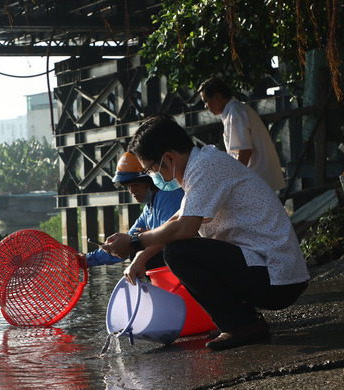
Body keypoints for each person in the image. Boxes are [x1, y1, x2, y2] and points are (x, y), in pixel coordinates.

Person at [102, 114, 309, 351]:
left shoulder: (205, 168)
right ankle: (243, 320)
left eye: (150, 169)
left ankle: (242, 324)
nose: (152, 177)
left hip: (277, 276)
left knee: (179, 252)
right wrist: (141, 257)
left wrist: (135, 241)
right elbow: (176, 220)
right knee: (177, 248)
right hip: (271, 270)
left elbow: (184, 228)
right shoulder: (201, 166)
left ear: (168, 158)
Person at [80, 151, 183, 270]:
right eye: (128, 187)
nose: (131, 191)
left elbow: (169, 236)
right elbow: (126, 242)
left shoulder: (168, 196)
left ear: (148, 182)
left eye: (135, 185)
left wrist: (143, 240)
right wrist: (88, 259)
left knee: (138, 249)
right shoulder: (149, 209)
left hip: (182, 259)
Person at [198, 77, 286, 192]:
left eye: (206, 101)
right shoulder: (236, 109)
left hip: (257, 179)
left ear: (217, 97)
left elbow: (244, 152)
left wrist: (234, 182)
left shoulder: (235, 113)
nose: (205, 106)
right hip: (260, 178)